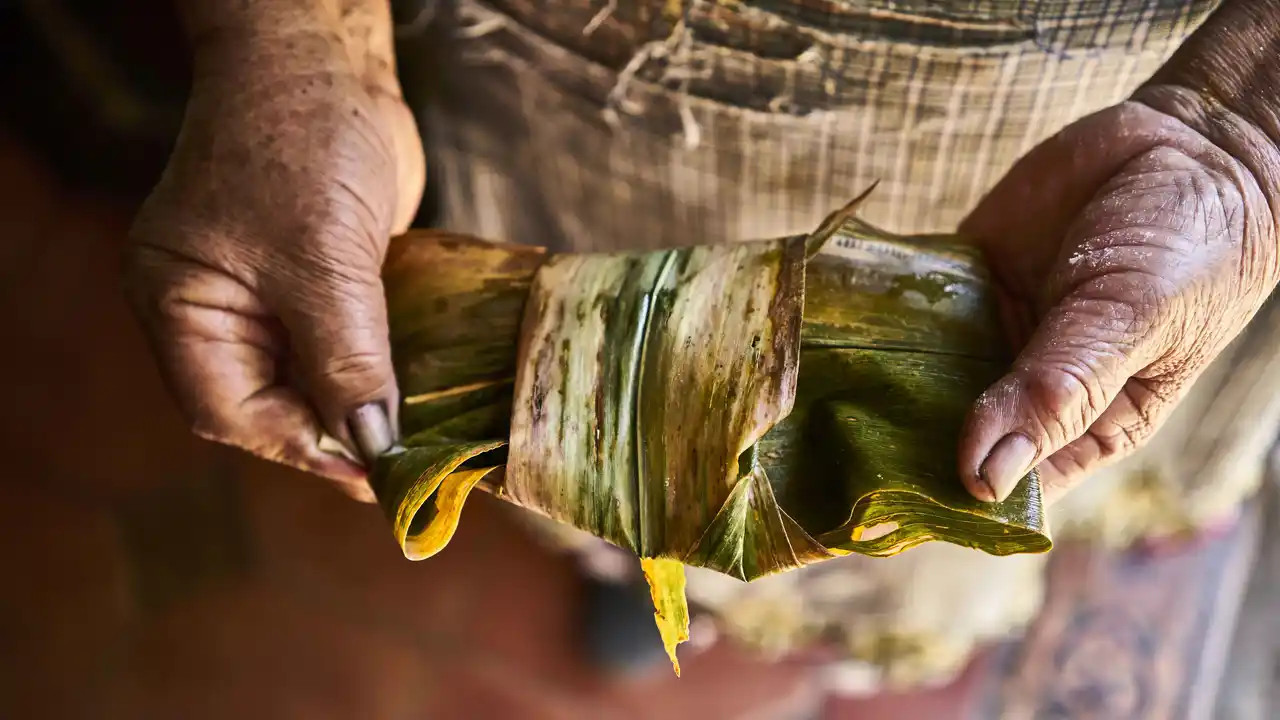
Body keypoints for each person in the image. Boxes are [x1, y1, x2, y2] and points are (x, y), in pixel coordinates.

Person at [125, 0, 1280, 695]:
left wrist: (1243, 135)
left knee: (1017, 409)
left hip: (1100, 101)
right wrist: (296, 48)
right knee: (586, 414)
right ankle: (641, 542)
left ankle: (825, 602)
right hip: (556, 69)